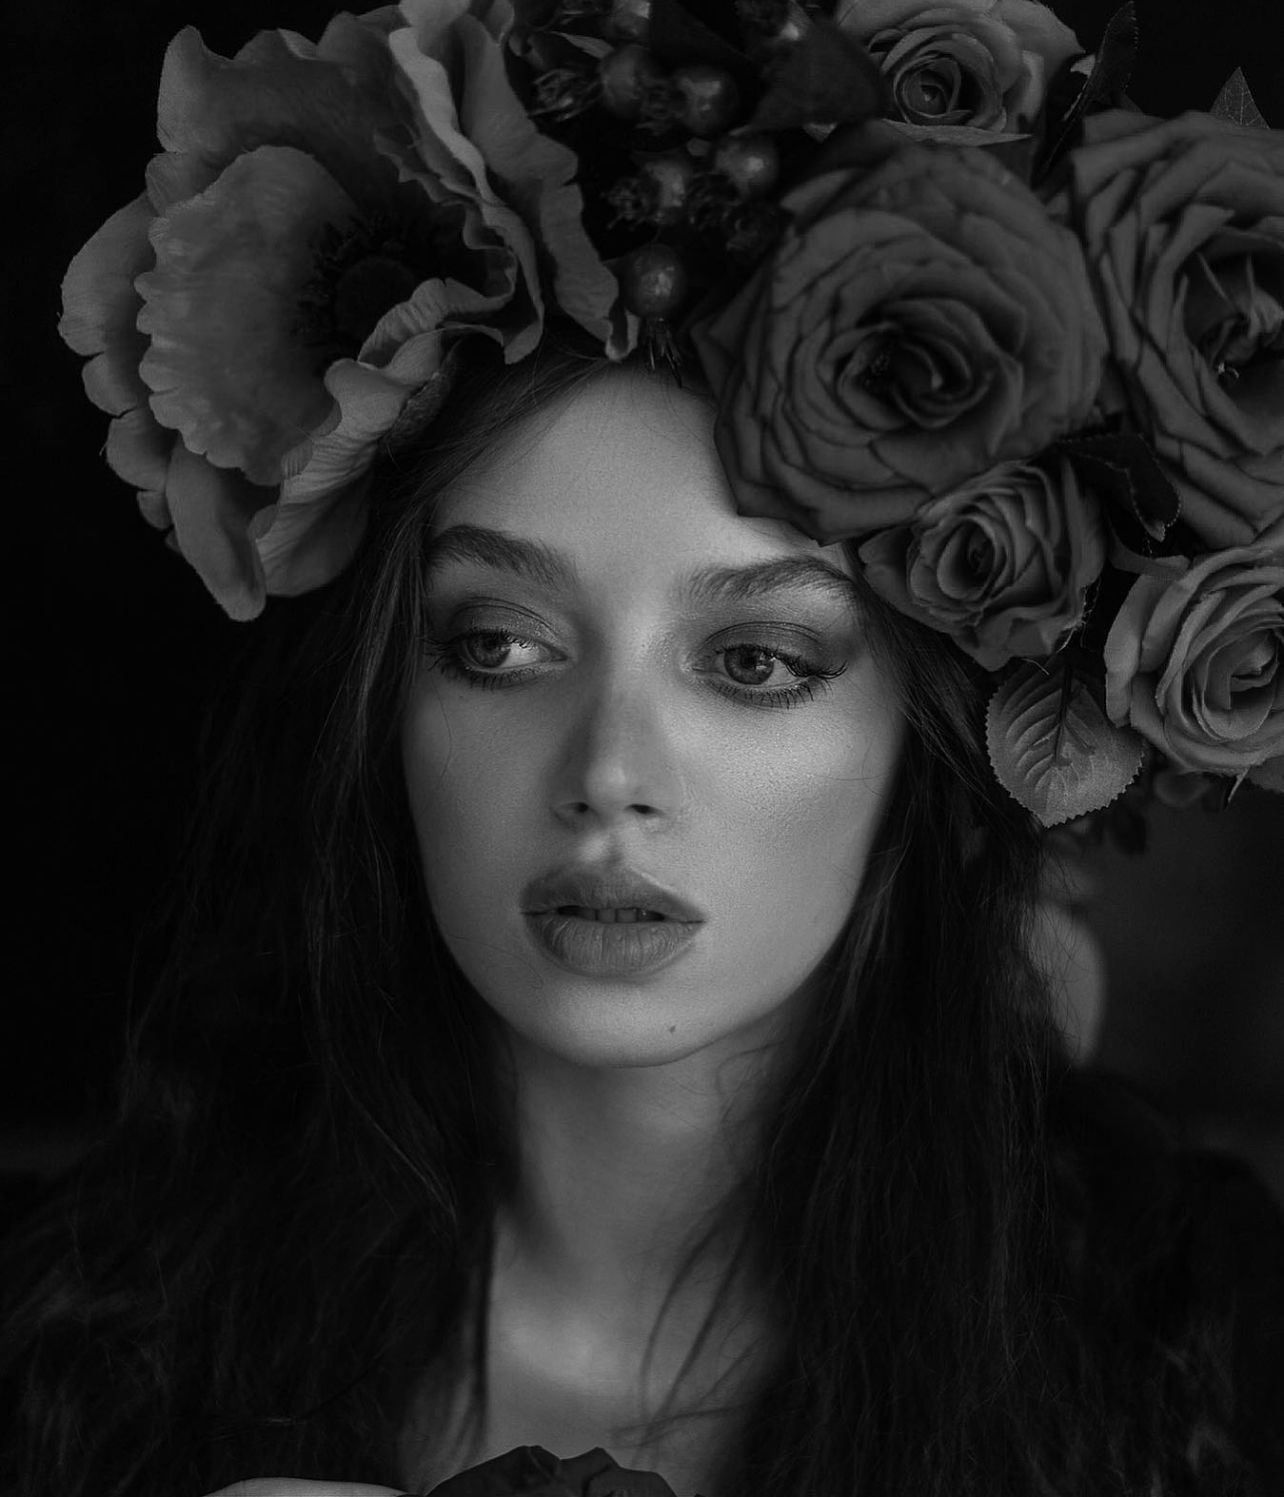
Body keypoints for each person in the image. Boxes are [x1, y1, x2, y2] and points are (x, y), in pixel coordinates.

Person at [5, 2, 1284, 1494]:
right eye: (498, 644)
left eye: (754, 660)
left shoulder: (1196, 1346)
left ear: (921, 755)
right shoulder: (92, 1337)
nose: (607, 767)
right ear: (382, 709)